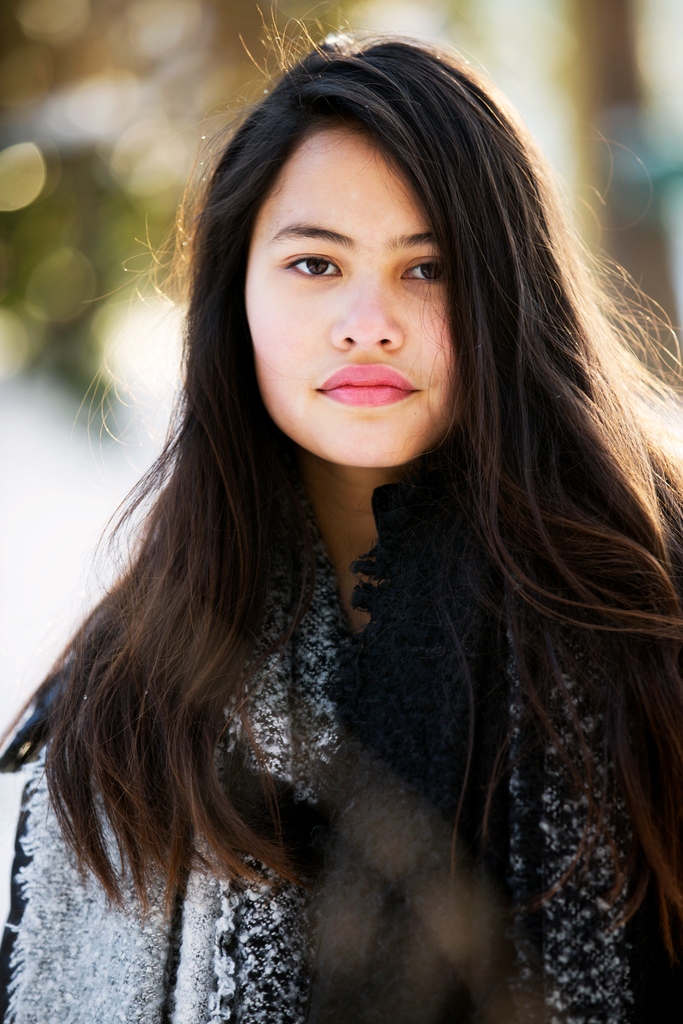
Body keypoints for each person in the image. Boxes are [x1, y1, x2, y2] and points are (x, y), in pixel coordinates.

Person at [1, 31, 683, 1024]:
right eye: (315, 264)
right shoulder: (129, 684)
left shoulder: (651, 613)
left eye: (428, 268)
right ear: (233, 296)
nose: (368, 322)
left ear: (509, 295)